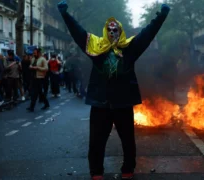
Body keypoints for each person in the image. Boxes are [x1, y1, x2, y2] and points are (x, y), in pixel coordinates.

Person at [58, 0, 170, 179]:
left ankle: (127, 170)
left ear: (120, 32)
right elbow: (79, 33)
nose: (112, 32)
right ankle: (96, 172)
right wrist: (65, 15)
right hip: (100, 103)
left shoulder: (130, 49)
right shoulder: (96, 48)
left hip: (123, 103)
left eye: (115, 30)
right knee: (96, 142)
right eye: (109, 30)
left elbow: (147, 35)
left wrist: (161, 17)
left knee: (127, 141)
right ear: (105, 31)